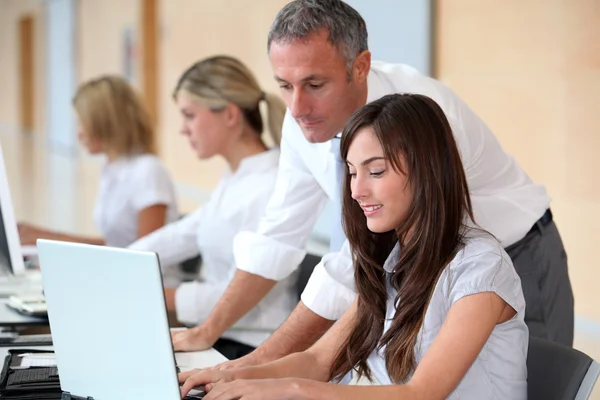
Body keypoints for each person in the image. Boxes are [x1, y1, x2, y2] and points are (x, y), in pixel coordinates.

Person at [173, 0, 573, 357]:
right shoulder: (304, 120)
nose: (296, 107)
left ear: (360, 66)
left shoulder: (423, 116)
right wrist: (208, 332)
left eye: (314, 84)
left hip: (515, 253)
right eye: (284, 86)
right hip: (430, 267)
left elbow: (362, 260)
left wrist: (258, 364)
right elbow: (277, 237)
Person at [179, 94, 528, 400]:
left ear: (427, 172)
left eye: (375, 172)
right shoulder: (394, 259)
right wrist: (229, 376)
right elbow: (317, 361)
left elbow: (421, 394)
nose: (356, 191)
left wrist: (289, 389)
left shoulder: (482, 267)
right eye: (351, 172)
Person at [127, 55, 295, 360]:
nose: (183, 129)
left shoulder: (268, 185)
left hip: (251, 347)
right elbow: (183, 234)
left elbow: (234, 292)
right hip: (222, 336)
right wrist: (119, 263)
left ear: (230, 115)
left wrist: (153, 292)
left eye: (189, 115)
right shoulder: (236, 177)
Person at [18, 75, 178, 248]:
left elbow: (146, 255)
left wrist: (49, 238)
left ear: (105, 123)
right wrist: (45, 237)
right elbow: (116, 244)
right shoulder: (111, 168)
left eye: (82, 122)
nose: (79, 133)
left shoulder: (148, 171)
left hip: (147, 273)